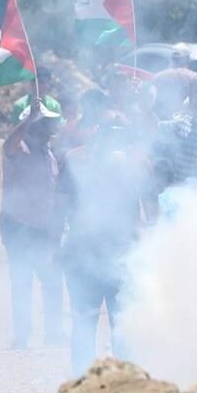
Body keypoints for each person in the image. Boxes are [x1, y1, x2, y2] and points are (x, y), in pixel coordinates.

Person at [59, 113, 157, 374]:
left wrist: (149, 248)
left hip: (123, 254)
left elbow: (152, 213)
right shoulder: (76, 159)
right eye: (108, 133)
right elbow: (61, 205)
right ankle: (80, 382)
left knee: (123, 324)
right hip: (84, 253)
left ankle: (124, 384)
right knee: (83, 321)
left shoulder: (139, 163)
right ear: (98, 135)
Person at [1, 101, 65, 350]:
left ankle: (52, 333)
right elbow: (8, 145)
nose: (51, 127)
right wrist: (28, 120)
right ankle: (22, 336)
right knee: (21, 280)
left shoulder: (48, 153)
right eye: (45, 123)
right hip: (18, 226)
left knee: (51, 280)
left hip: (42, 227)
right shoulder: (20, 148)